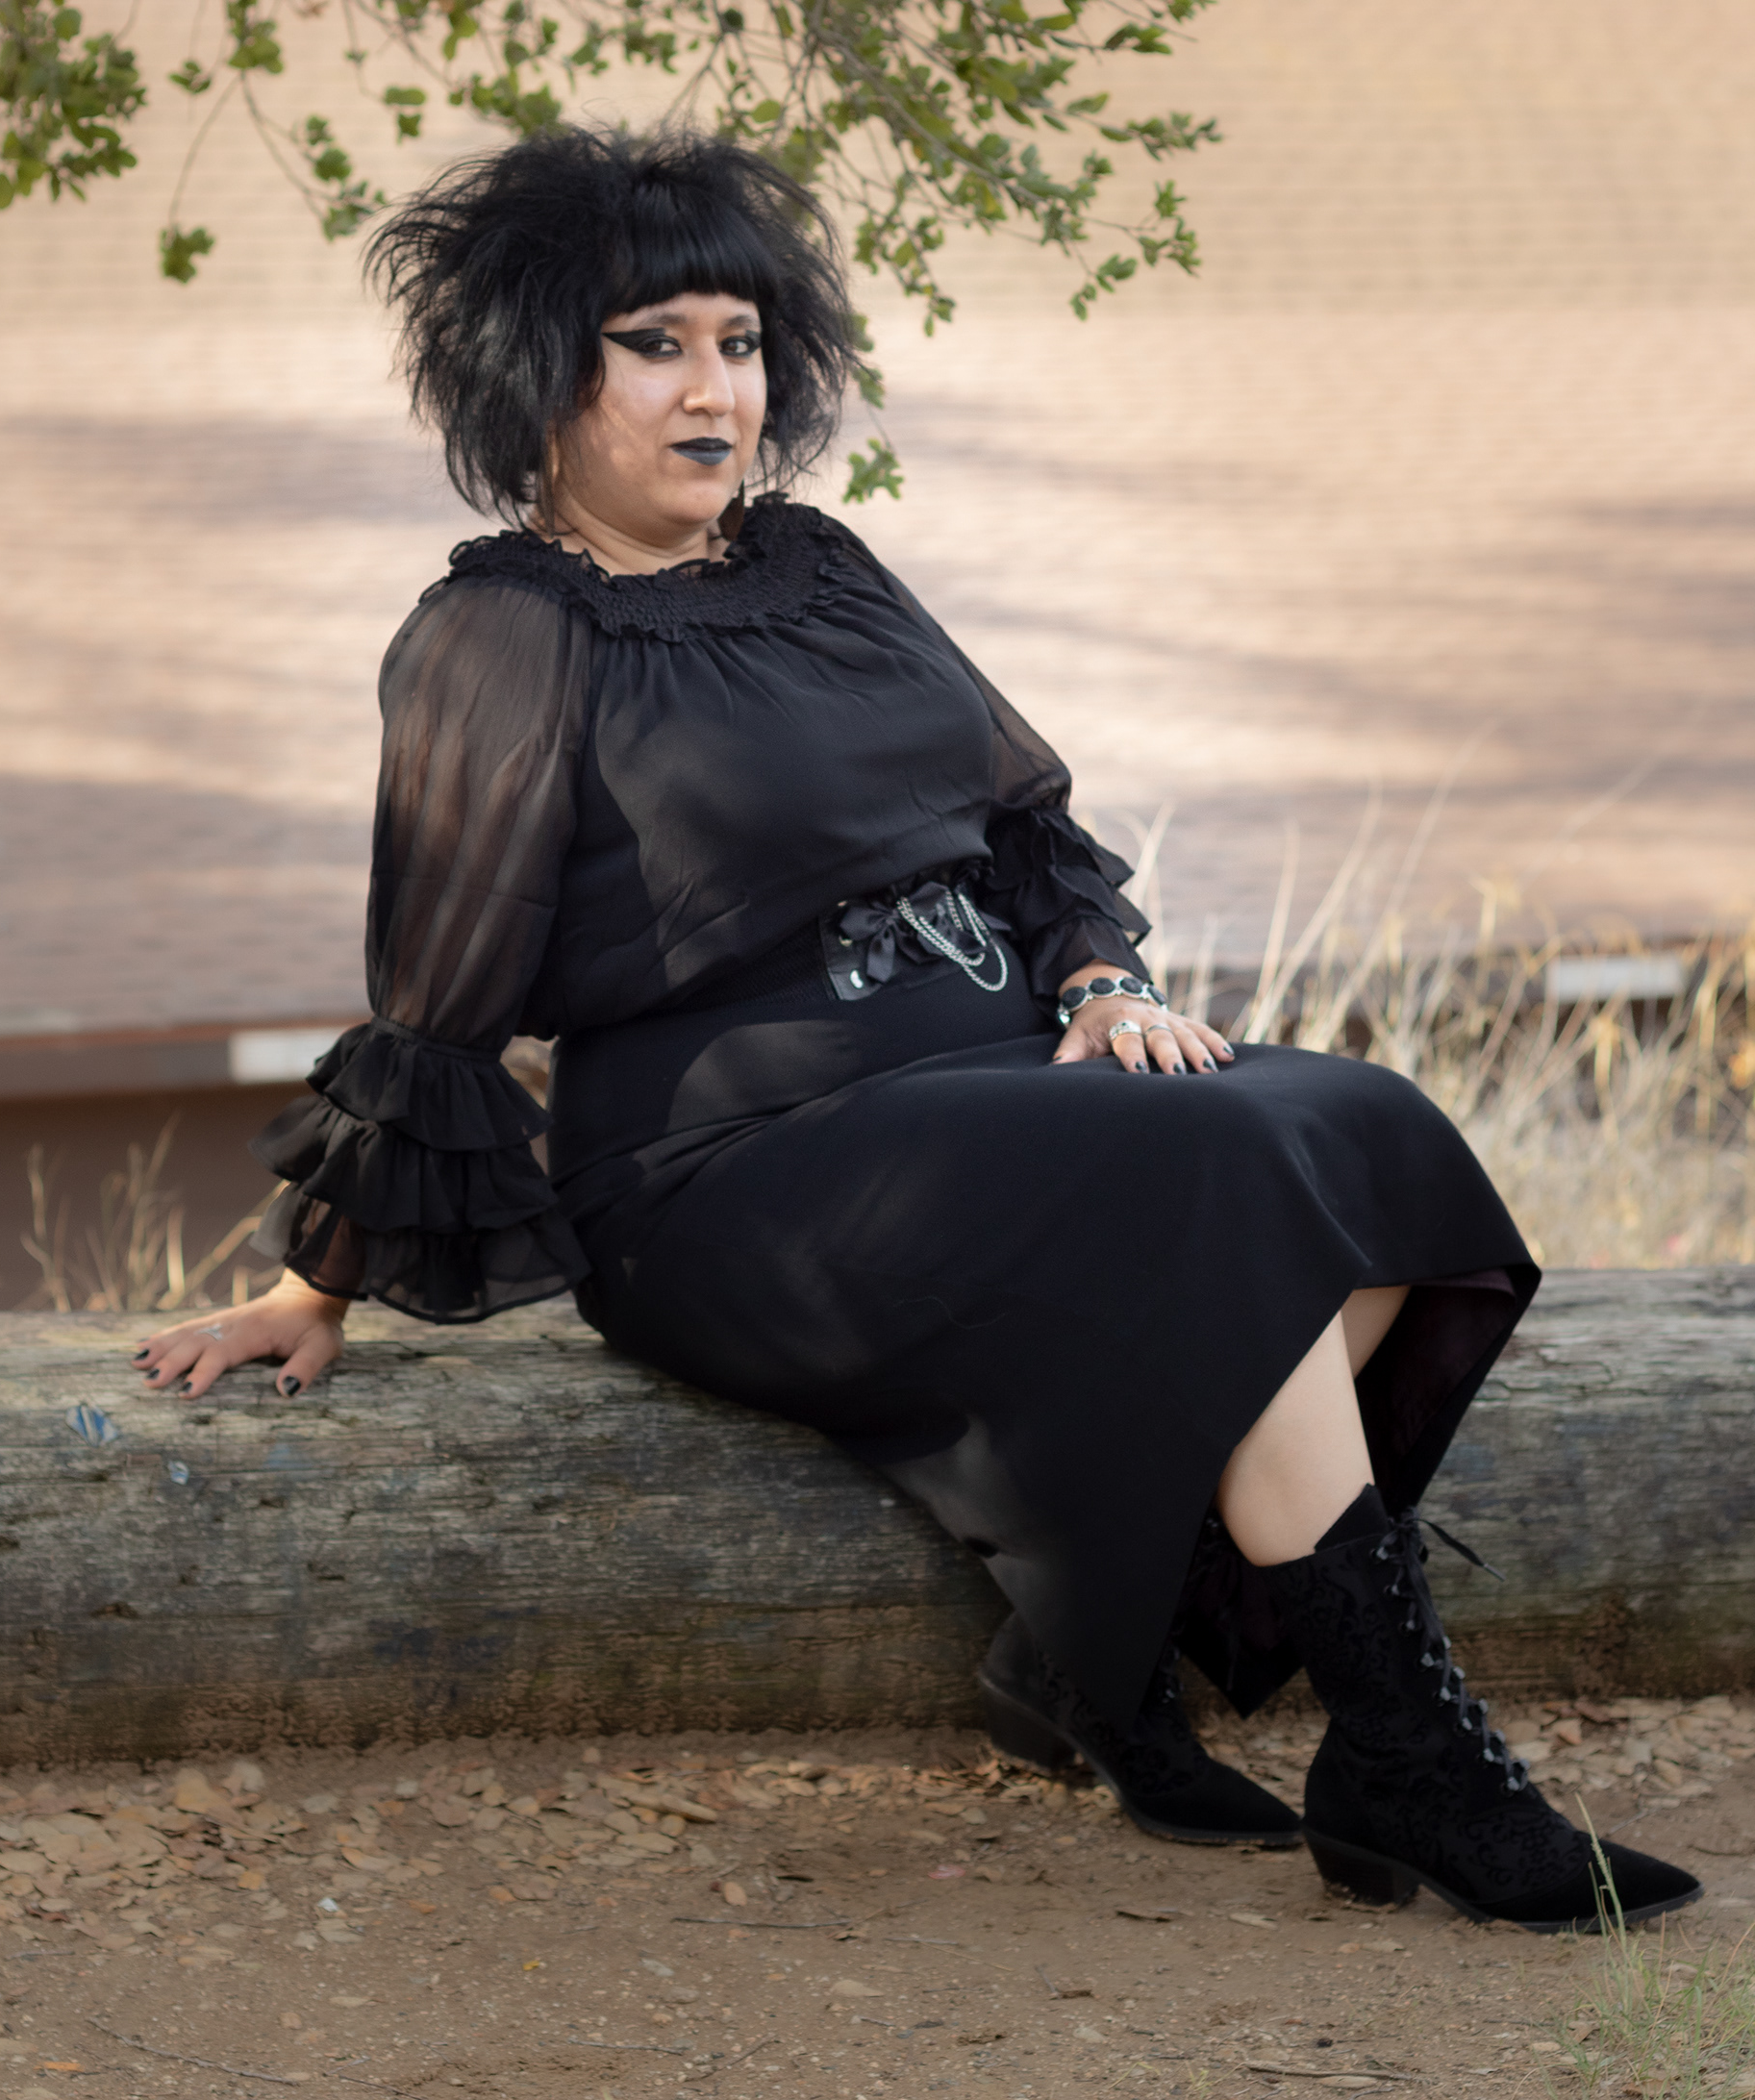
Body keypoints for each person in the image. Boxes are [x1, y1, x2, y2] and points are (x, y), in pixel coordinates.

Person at [133, 125, 1697, 1935]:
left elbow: (1024, 824)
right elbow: (440, 991)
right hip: (734, 1176)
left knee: (1363, 1127)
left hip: (1003, 1089)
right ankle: (1406, 1755)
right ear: (541, 374)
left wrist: (1103, 982)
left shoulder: (822, 568)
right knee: (1217, 1171)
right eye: (656, 345)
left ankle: (1095, 1637)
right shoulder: (501, 635)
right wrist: (313, 1282)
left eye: (740, 341)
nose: (716, 390)